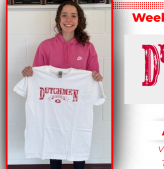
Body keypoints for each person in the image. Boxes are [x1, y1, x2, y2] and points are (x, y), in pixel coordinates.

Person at [21, 1, 103, 169]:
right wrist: (29, 73)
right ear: (58, 19)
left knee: (78, 144)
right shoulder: (45, 46)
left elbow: (93, 79)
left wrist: (96, 76)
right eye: (64, 15)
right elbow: (37, 78)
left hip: (77, 111)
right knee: (53, 141)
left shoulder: (88, 47)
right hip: (52, 109)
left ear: (79, 19)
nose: (68, 19)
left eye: (73, 15)